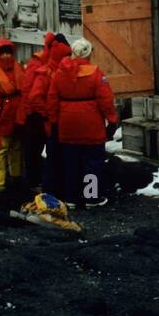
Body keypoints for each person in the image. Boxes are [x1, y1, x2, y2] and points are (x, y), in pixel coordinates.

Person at [48, 38, 118, 209]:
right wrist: (112, 120)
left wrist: (55, 121)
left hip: (67, 124)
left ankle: (71, 198)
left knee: (70, 162)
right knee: (93, 162)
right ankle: (91, 197)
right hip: (90, 124)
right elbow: (106, 100)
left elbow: (51, 99)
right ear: (88, 54)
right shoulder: (95, 73)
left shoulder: (59, 73)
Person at [18, 31, 65, 192]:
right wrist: (36, 113)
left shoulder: (52, 64)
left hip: (42, 114)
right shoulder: (38, 64)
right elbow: (29, 92)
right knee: (34, 151)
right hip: (34, 115)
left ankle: (44, 182)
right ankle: (34, 183)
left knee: (44, 150)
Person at [0, 38, 26, 195]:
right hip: (0, 115)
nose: (6, 56)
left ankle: (15, 174)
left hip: (17, 113)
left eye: (9, 52)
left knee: (16, 146)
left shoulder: (19, 68)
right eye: (3, 53)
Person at [34, 37, 74, 196]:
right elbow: (36, 98)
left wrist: (47, 116)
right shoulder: (63, 73)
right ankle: (85, 194)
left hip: (59, 122)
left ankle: (53, 191)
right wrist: (48, 116)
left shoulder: (51, 73)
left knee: (55, 158)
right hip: (63, 123)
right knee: (80, 160)